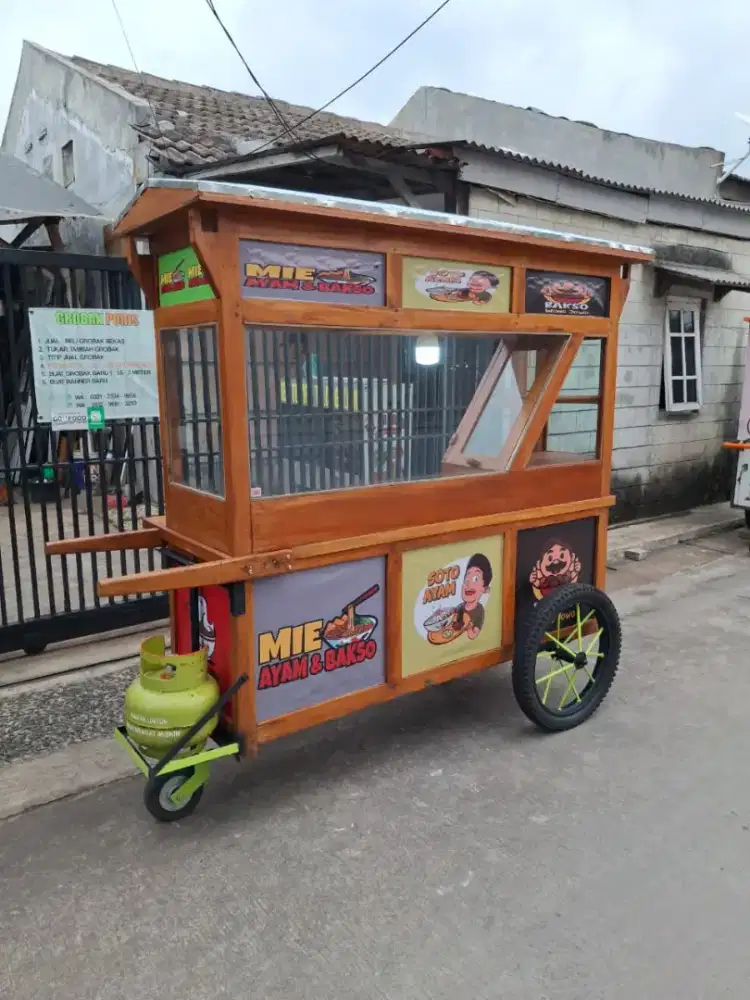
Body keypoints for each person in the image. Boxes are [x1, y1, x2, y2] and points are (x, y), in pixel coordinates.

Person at [451, 553, 493, 640]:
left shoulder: (479, 611)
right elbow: (453, 619)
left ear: (485, 589)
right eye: (467, 579)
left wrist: (469, 629)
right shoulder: (460, 607)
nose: (469, 584)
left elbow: (473, 635)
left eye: (476, 579)